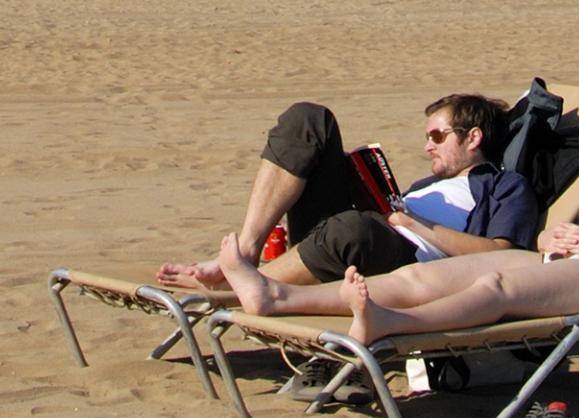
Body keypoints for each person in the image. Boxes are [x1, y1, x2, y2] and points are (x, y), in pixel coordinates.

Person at [217, 113, 579, 341]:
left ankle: (388, 326)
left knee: (495, 288)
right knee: (422, 281)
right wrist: (558, 236)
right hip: (572, 258)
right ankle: (273, 294)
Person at [158, 93, 540, 291]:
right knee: (310, 120)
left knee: (356, 229)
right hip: (351, 235)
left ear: (474, 137)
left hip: (401, 256)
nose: (428, 147)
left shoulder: (505, 185)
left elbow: (502, 255)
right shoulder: (427, 185)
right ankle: (246, 251)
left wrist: (413, 223)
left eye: (438, 136)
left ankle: (246, 280)